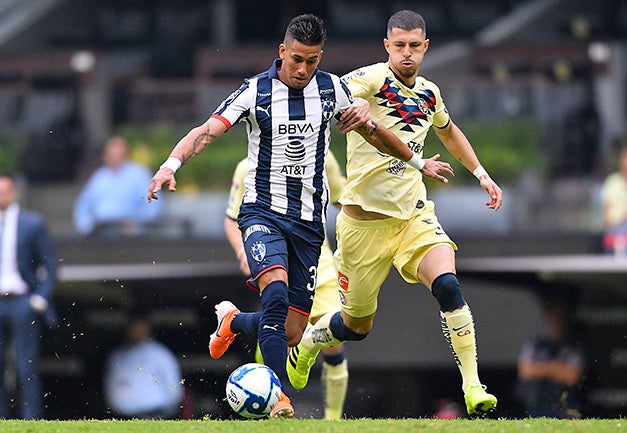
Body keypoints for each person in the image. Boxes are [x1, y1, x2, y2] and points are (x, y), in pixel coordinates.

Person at [147, 14, 447, 418]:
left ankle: (233, 322)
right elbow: (208, 130)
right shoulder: (255, 91)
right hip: (262, 214)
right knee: (273, 294)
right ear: (282, 52)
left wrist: (415, 162)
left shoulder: (332, 90)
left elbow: (374, 131)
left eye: (312, 61)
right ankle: (278, 398)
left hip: (308, 225)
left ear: (320, 57)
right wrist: (171, 164)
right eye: (297, 60)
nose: (303, 69)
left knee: (290, 331)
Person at [286, 10, 503, 418]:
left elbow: (448, 129)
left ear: (426, 48)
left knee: (449, 287)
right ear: (387, 46)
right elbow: (334, 91)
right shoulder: (368, 80)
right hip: (362, 226)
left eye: (414, 46)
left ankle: (473, 386)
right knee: (356, 327)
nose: (407, 53)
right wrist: (354, 109)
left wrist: (481, 174)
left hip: (413, 217)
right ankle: (310, 342)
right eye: (399, 45)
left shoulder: (429, 93)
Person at [225, 152, 349, 420]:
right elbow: (232, 217)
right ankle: (269, 403)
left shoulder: (323, 157)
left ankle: (334, 421)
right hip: (275, 260)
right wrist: (242, 252)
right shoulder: (247, 166)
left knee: (337, 338)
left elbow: (345, 201)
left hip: (319, 263)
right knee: (279, 327)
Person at [0, 172, 58, 419]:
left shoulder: (31, 223)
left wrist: (40, 297)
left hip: (22, 301)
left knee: (26, 366)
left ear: (13, 193)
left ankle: (32, 419)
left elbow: (51, 264)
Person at [516, 290, 586, 418]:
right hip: (537, 406)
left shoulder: (573, 345)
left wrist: (541, 369)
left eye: (561, 313)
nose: (557, 319)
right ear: (548, 316)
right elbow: (526, 371)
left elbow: (572, 376)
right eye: (554, 314)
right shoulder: (536, 344)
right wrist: (556, 368)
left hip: (566, 408)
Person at [74, 136, 161, 238]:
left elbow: (154, 206)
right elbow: (83, 206)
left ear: (125, 154)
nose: (114, 158)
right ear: (105, 156)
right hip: (101, 231)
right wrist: (86, 226)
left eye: (118, 155)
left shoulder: (139, 174)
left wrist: (137, 221)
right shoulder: (99, 177)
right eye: (111, 155)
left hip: (130, 233)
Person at [104, 312, 184, 419]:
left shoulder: (161, 355)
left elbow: (174, 389)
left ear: (147, 328)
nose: (135, 330)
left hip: (153, 416)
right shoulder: (117, 356)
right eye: (132, 327)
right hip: (121, 418)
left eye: (139, 326)